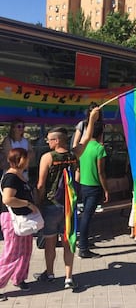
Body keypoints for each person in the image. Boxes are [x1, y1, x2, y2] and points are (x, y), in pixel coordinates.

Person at [34, 107, 100, 289]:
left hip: (51, 205)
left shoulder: (47, 157)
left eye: (48, 139)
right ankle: (68, 277)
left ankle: (50, 273)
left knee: (49, 242)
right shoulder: (73, 154)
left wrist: (37, 203)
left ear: (56, 140)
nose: (47, 142)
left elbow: (40, 184)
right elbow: (86, 139)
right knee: (68, 241)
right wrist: (92, 120)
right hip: (69, 206)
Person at [0, 148, 40, 301]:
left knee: (26, 251)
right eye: (26, 157)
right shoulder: (11, 177)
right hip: (12, 220)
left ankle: (19, 278)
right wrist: (28, 204)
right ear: (19, 159)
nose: (29, 160)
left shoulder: (20, 176)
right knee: (12, 253)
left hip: (24, 219)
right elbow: (7, 199)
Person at [77, 122, 109, 258]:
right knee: (87, 217)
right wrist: (106, 189)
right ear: (101, 134)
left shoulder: (82, 147)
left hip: (84, 185)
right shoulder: (100, 149)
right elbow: (101, 172)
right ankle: (83, 248)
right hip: (94, 186)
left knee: (86, 215)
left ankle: (84, 242)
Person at [72, 102, 104, 212]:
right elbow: (77, 142)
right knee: (78, 176)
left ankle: (93, 202)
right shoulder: (82, 124)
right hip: (81, 152)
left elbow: (100, 141)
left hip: (93, 152)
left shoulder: (100, 125)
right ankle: (78, 201)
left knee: (95, 174)